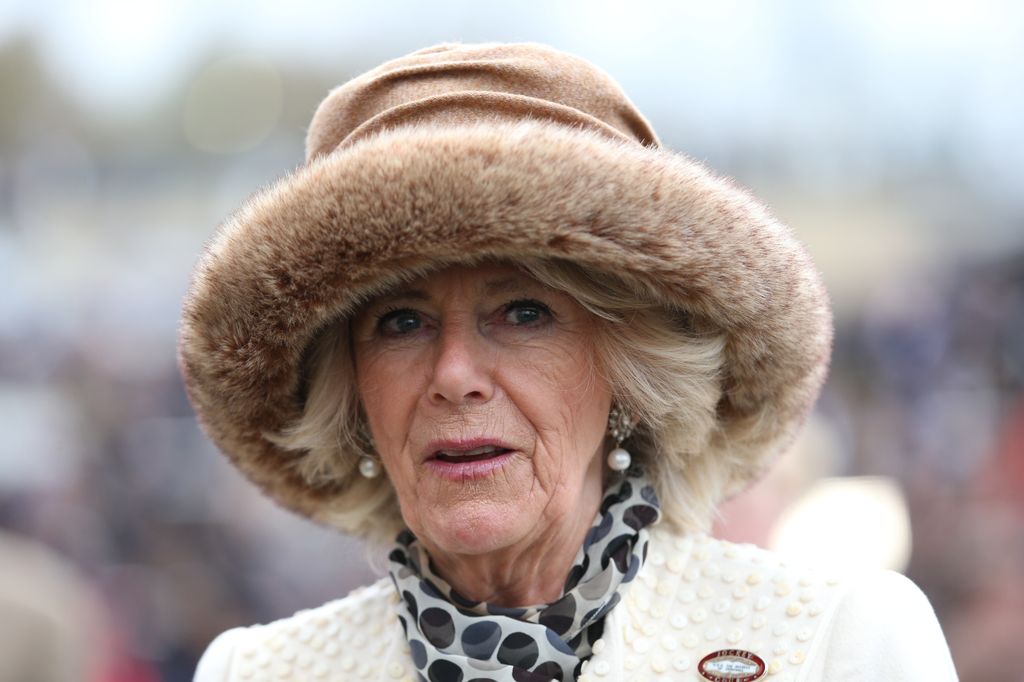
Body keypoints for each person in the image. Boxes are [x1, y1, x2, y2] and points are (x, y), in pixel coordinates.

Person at [179, 41, 957, 681]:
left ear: (629, 372)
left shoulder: (835, 643)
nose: (454, 374)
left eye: (524, 313)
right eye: (401, 322)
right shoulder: (256, 671)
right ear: (350, 397)